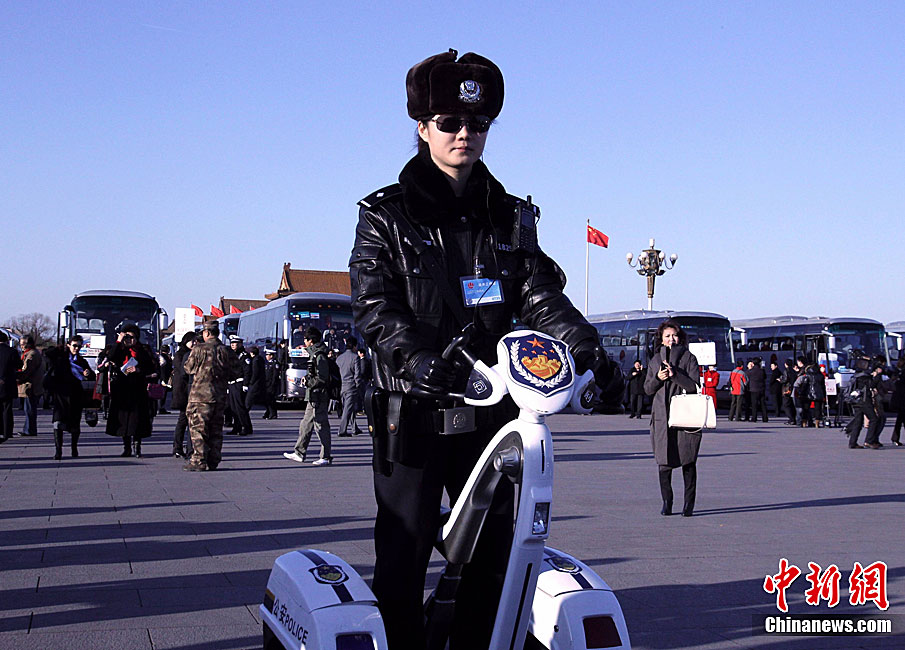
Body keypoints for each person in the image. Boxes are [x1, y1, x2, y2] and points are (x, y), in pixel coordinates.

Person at [348, 49, 623, 650]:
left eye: (477, 124)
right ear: (422, 127)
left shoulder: (511, 215)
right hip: (412, 417)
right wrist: (419, 363)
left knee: (495, 557)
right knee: (404, 555)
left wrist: (587, 348)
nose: (464, 135)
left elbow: (539, 293)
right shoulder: (384, 217)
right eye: (449, 123)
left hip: (492, 419)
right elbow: (375, 308)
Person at [643, 320, 701, 518]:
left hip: (686, 416)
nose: (671, 339)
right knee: (663, 462)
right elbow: (648, 389)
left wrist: (675, 375)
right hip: (661, 416)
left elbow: (694, 386)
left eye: (674, 335)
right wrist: (659, 377)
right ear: (661, 338)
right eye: (667, 336)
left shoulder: (689, 358)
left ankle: (688, 504)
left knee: (688, 460)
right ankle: (667, 501)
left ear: (680, 337)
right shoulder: (654, 361)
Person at [183, 322, 242, 471]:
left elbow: (188, 368)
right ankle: (214, 459)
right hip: (220, 395)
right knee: (216, 429)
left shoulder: (199, 349)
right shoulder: (227, 350)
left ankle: (199, 460)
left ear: (207, 333)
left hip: (200, 395)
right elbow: (237, 372)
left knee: (198, 429)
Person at [283, 327, 332, 465]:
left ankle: (326, 456)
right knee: (306, 424)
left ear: (311, 341)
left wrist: (309, 382)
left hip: (319, 395)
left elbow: (322, 378)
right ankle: (299, 452)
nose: (304, 342)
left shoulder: (319, 355)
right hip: (313, 395)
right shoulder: (314, 354)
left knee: (321, 426)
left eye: (305, 339)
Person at [105, 324, 155, 457]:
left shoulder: (143, 350)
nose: (129, 340)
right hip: (122, 389)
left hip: (138, 389)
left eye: (131, 337)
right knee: (123, 421)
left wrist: (139, 370)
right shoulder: (119, 349)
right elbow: (110, 357)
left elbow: (151, 368)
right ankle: (126, 447)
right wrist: (118, 340)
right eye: (126, 337)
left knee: (137, 420)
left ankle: (137, 447)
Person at [44, 336, 94, 459]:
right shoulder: (61, 358)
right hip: (61, 395)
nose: (76, 348)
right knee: (58, 423)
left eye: (79, 346)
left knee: (75, 425)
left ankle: (74, 448)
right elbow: (48, 353)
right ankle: (58, 451)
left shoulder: (81, 361)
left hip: (75, 395)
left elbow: (91, 375)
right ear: (68, 345)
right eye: (74, 345)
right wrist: (61, 348)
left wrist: (87, 374)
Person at [845, 362, 884, 449]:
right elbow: (872, 385)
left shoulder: (856, 376)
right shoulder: (865, 377)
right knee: (874, 419)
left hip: (856, 401)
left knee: (858, 422)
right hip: (864, 401)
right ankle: (869, 441)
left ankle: (852, 442)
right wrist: (877, 376)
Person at [169, 331, 196, 457]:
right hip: (183, 392)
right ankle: (178, 446)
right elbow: (183, 373)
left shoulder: (188, 353)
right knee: (183, 420)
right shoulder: (181, 354)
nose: (194, 343)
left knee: (184, 420)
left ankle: (179, 447)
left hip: (186, 391)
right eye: (192, 341)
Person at [16, 336, 45, 437]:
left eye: (23, 344)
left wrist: (17, 377)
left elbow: (27, 371)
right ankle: (28, 428)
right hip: (32, 385)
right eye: (21, 344)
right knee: (28, 409)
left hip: (31, 386)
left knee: (29, 409)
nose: (22, 346)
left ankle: (29, 430)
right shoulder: (31, 353)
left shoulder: (31, 354)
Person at [337, 336, 364, 436]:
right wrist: (358, 385)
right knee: (348, 409)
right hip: (351, 386)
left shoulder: (339, 358)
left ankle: (354, 428)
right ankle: (342, 430)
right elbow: (357, 374)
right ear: (354, 346)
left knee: (349, 407)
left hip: (342, 386)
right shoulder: (355, 357)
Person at [226, 336, 253, 436]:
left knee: (240, 407)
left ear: (240, 344)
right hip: (231, 383)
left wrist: (245, 384)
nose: (233, 345)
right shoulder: (232, 355)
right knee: (233, 407)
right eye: (232, 343)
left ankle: (246, 427)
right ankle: (236, 427)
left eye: (235, 343)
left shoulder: (244, 356)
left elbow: (247, 371)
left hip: (239, 383)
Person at [0, 331, 24, 444]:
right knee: (7, 408)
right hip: (7, 383)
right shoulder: (12, 352)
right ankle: (7, 431)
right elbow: (19, 366)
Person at [244, 345, 266, 423]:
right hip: (260, 384)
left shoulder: (255, 361)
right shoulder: (260, 359)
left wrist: (250, 382)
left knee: (248, 402)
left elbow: (255, 373)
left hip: (255, 384)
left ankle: (244, 418)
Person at [888, 358, 904, 446]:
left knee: (900, 420)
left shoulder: (897, 372)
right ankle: (895, 438)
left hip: (899, 400)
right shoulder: (901, 373)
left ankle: (895, 438)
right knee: (900, 420)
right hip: (902, 400)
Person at [746, 358, 768, 423]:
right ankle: (765, 418)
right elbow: (765, 377)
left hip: (753, 389)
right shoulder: (762, 371)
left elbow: (747, 377)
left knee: (754, 405)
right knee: (763, 404)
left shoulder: (750, 371)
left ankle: (754, 417)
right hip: (761, 389)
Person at [263, 348, 281, 419]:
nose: (266, 356)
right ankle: (268, 412)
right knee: (266, 399)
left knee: (271, 400)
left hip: (272, 384)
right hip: (266, 384)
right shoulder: (267, 363)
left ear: (271, 356)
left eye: (268, 355)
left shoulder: (275, 363)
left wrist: (273, 384)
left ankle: (273, 413)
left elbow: (275, 375)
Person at [156, 346, 173, 414]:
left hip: (162, 377)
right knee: (163, 393)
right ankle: (161, 408)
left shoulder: (160, 357)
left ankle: (161, 407)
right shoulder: (165, 357)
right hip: (164, 377)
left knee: (162, 392)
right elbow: (164, 368)